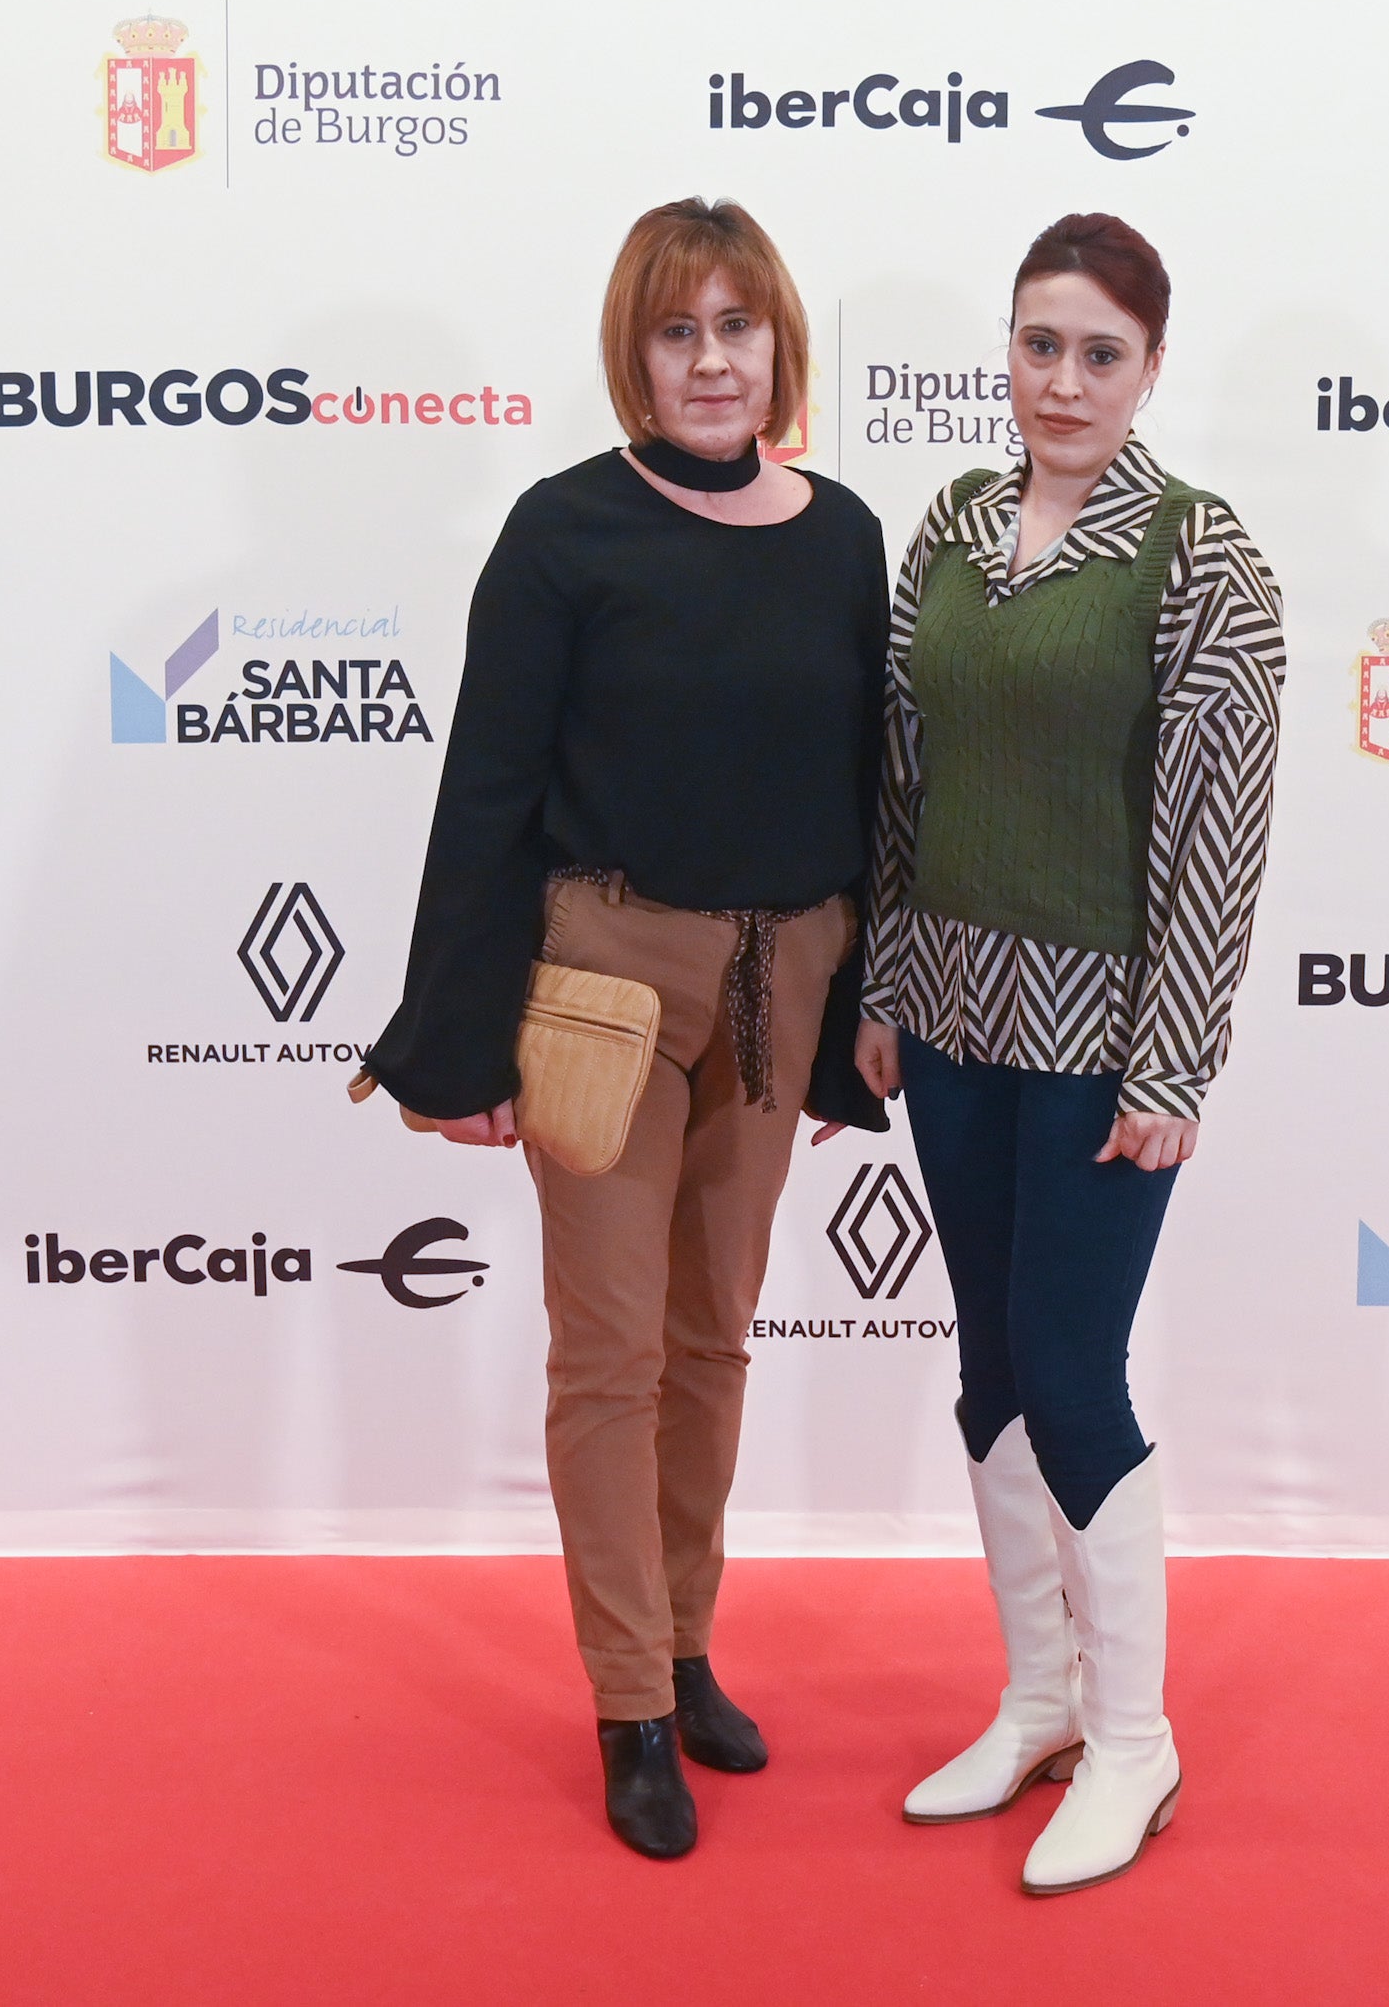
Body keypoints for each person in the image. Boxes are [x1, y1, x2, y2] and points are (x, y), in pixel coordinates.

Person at [364, 198, 888, 1862]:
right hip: (601, 979)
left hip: (781, 981)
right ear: (635, 353)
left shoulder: (847, 533)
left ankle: (686, 1644)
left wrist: (845, 1028)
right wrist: (451, 1050)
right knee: (609, 1351)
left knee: (714, 1341)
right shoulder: (560, 532)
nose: (712, 360)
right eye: (679, 332)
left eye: (738, 327)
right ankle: (628, 1707)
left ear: (778, 344)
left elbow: (872, 798)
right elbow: (486, 796)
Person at [854, 213, 1285, 1895]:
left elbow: (1218, 836)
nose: (1064, 380)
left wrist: (1173, 1063)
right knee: (987, 1364)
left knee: (1071, 1366)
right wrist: (884, 985)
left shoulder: (1203, 556)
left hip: (1106, 1044)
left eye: (1101, 352)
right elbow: (901, 775)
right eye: (1040, 345)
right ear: (1007, 349)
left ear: (1153, 366)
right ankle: (1038, 1699)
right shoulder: (955, 523)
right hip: (950, 1022)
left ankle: (1137, 1739)